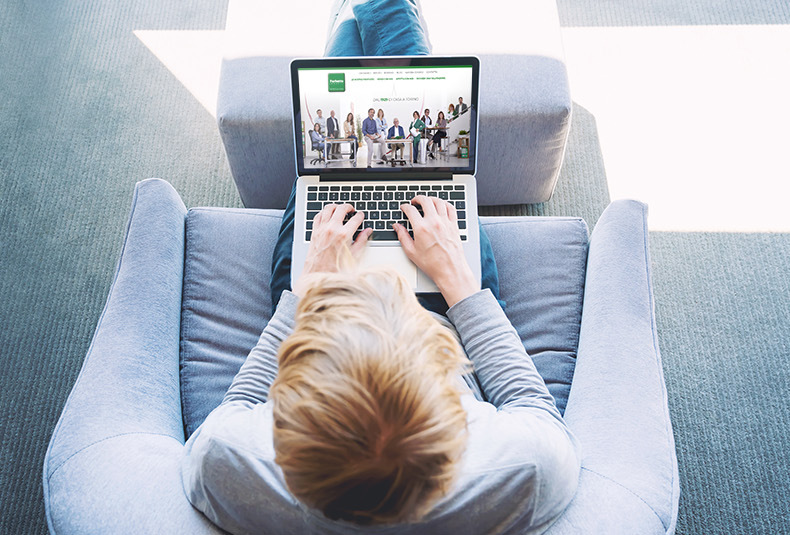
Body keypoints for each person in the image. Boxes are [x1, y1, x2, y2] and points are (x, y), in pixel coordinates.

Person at [181, 197, 579, 534]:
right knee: (442, 208)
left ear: (283, 429)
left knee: (317, 202)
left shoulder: (224, 461)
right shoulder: (528, 470)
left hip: (320, 299)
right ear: (455, 423)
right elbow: (530, 401)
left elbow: (242, 401)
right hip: (448, 306)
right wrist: (456, 280)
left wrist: (310, 289)